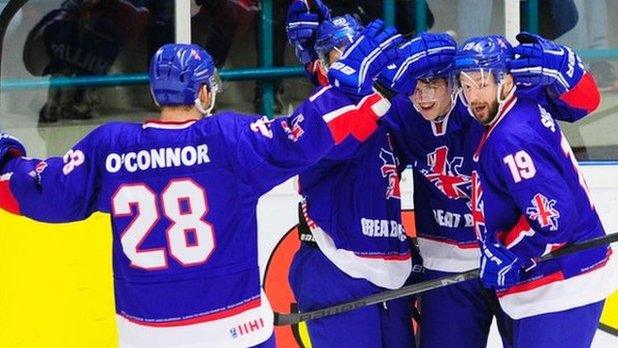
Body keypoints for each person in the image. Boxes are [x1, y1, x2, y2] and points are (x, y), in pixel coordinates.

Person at [0, 25, 400, 347]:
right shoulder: (227, 139)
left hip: (146, 333)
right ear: (204, 91)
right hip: (234, 329)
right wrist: (347, 91)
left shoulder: (110, 147)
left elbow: (40, 192)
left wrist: (6, 159)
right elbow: (304, 136)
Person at [380, 32, 604, 347]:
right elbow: (369, 166)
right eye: (415, 87)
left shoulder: (501, 104)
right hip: (451, 269)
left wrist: (569, 70)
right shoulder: (409, 112)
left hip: (519, 266)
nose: (423, 96)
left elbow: (585, 103)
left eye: (433, 84)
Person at [451, 34, 618, 347]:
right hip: (558, 282)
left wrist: (511, 252)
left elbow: (555, 218)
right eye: (467, 84)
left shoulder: (511, 138)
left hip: (563, 285)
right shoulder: (519, 108)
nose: (474, 95)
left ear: (507, 80)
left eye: (482, 83)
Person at [286, 5, 415, 347]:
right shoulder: (316, 115)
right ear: (321, 65)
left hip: (390, 264)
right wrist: (376, 94)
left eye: (355, 51)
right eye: (335, 55)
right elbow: (337, 139)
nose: (347, 61)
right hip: (335, 265)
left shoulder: (388, 109)